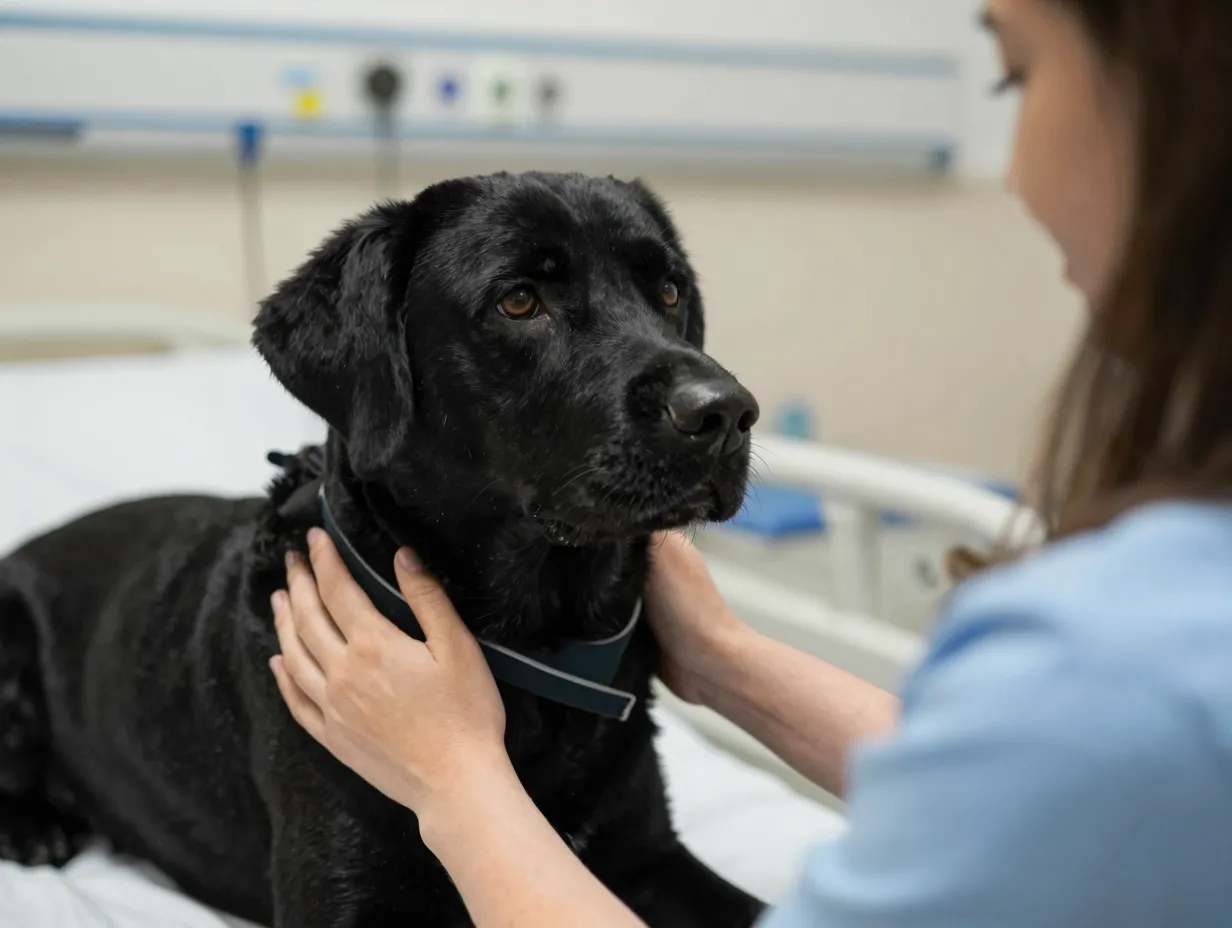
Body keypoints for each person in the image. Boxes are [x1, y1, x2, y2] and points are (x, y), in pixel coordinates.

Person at [267, 0, 1232, 924]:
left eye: (664, 295)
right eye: (522, 301)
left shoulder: (1126, 667)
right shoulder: (1157, 639)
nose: (707, 390)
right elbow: (1043, 794)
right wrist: (722, 659)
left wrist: (455, 778)